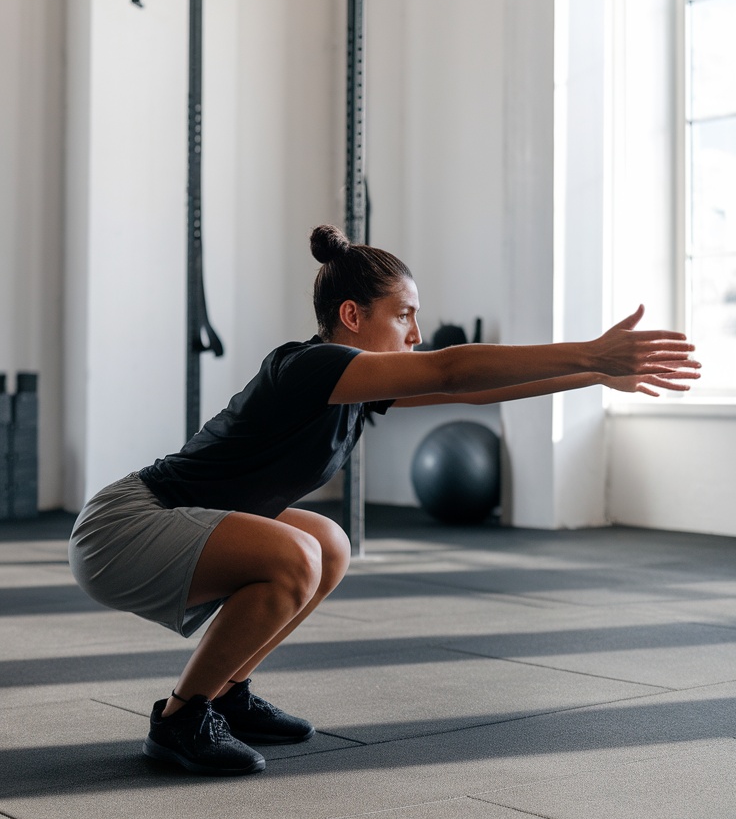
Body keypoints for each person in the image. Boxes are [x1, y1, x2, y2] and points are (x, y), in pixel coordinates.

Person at [69, 223, 700, 775]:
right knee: (294, 555)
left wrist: (595, 374)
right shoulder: (310, 366)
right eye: (403, 315)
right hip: (122, 526)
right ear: (352, 316)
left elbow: (465, 393)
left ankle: (226, 691)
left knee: (327, 544)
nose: (416, 332)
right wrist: (591, 347)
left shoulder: (351, 386)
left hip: (169, 516)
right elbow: (451, 370)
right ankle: (180, 719)